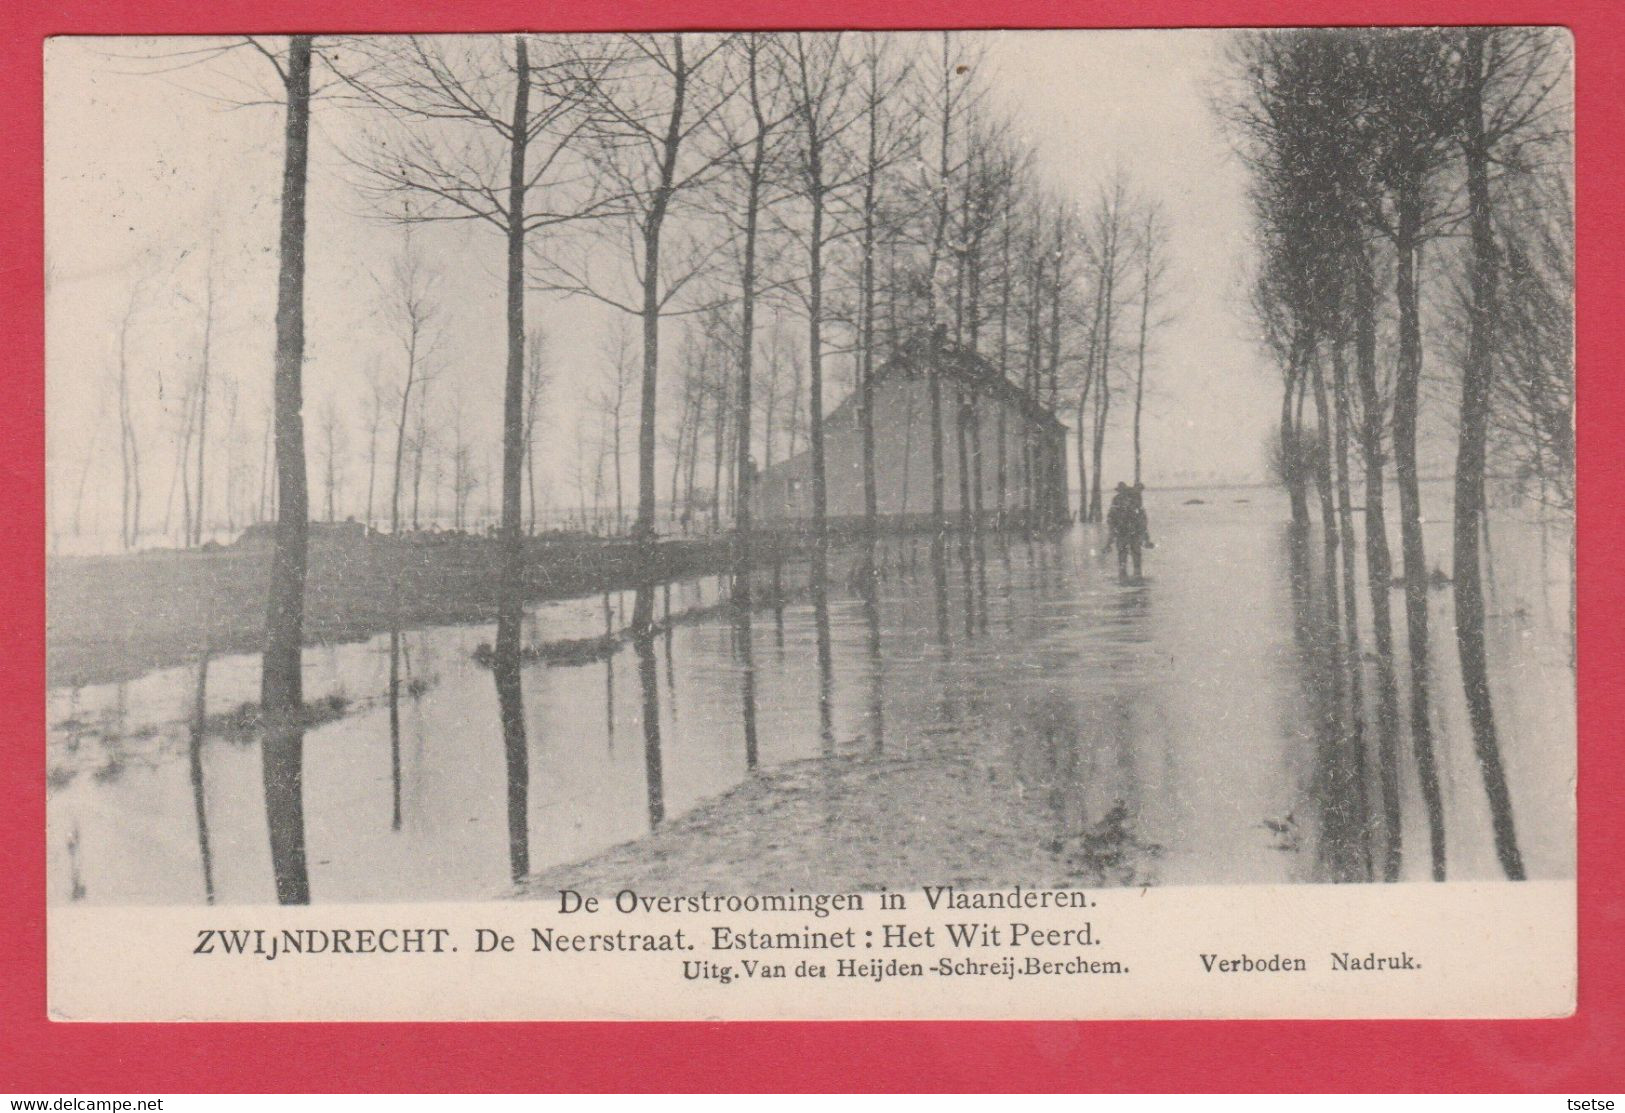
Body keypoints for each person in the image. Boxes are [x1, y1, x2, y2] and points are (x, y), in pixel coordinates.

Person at [1106, 481, 1152, 579]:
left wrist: (1146, 538)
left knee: (1131, 556)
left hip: (1129, 532)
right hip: (1125, 532)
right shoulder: (1121, 500)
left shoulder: (1133, 500)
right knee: (1129, 556)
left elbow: (1142, 521)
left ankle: (1130, 577)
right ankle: (1132, 576)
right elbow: (1142, 521)